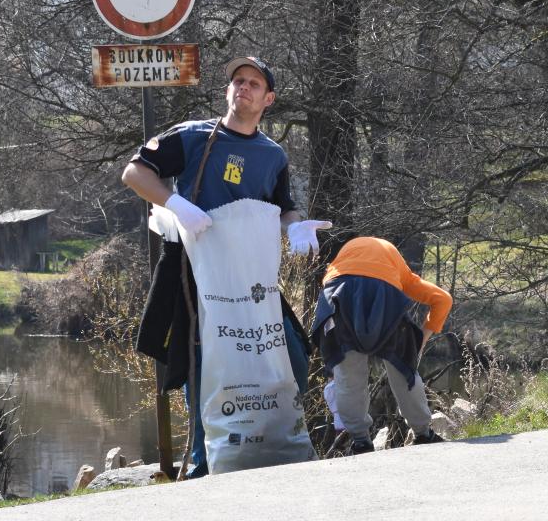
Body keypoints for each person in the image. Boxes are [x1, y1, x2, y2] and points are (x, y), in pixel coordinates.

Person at [124, 55, 331, 473]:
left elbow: (283, 207)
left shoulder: (272, 155)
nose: (244, 88)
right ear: (227, 90)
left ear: (268, 99)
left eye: (254, 83)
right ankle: (205, 465)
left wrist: (294, 227)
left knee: (291, 353)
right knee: (205, 362)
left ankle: (272, 446)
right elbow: (135, 173)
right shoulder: (193, 137)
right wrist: (176, 203)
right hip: (201, 275)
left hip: (251, 277)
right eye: (238, 81)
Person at [312, 236, 453, 453]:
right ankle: (424, 434)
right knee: (403, 370)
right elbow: (443, 299)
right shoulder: (402, 273)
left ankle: (360, 441)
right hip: (384, 293)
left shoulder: (337, 265)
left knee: (348, 374)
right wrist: (419, 343)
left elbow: (331, 286)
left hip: (339, 291)